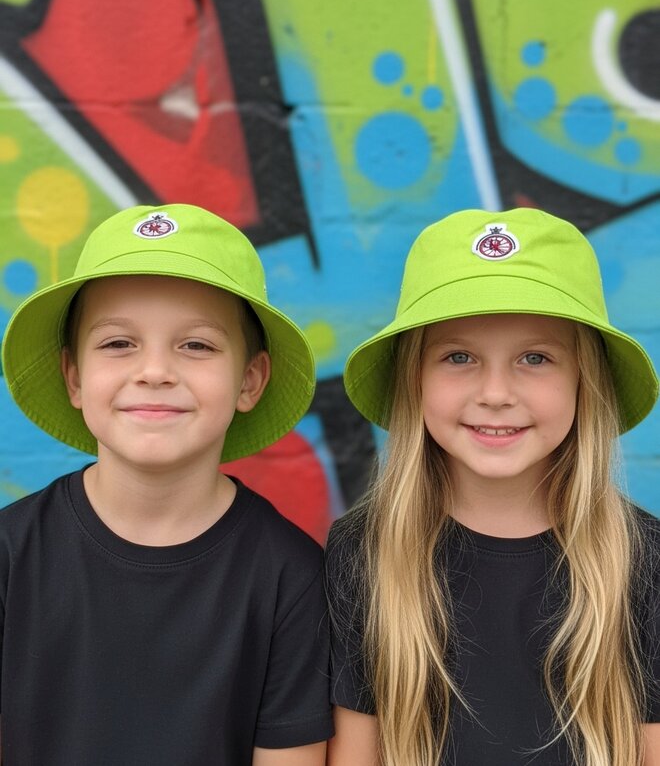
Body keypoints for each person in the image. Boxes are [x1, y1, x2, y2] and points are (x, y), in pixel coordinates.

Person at [325, 207, 660, 766]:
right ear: (416, 380)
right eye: (459, 357)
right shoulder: (365, 550)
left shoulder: (643, 558)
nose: (497, 392)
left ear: (586, 380)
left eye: (536, 358)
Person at [0, 203, 332, 765]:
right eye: (118, 344)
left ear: (249, 380)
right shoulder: (11, 554)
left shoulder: (291, 577)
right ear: (75, 377)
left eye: (196, 345)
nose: (155, 371)